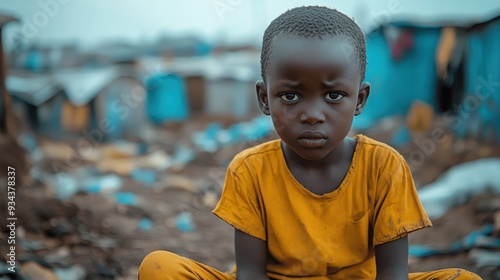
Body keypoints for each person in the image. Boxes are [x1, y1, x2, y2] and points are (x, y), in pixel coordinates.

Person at [138, 6, 482, 280]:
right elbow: (252, 272)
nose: (313, 115)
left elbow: (392, 273)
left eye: (334, 95)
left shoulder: (384, 168)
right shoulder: (250, 171)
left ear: (360, 100)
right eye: (290, 95)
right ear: (264, 98)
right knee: (159, 268)